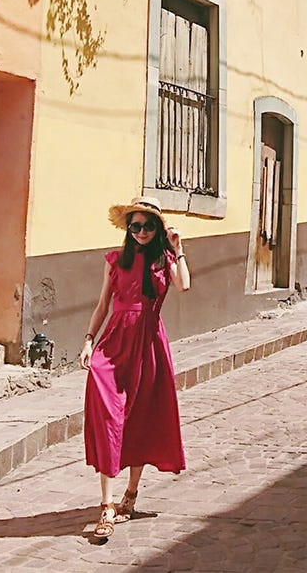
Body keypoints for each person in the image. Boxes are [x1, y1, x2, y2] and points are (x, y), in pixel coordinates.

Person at [79, 197, 191, 540]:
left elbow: (184, 284)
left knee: (140, 417)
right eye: (135, 225)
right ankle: (107, 506)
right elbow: (102, 305)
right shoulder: (115, 261)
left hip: (149, 344)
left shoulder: (166, 260)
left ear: (158, 229)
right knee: (109, 414)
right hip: (115, 343)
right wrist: (88, 340)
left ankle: (130, 494)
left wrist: (179, 247)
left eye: (148, 225)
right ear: (128, 228)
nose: (141, 231)